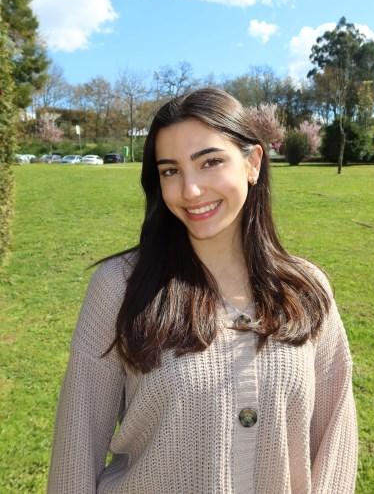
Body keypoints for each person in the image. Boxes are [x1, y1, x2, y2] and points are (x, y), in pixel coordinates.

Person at [47, 88, 358, 494]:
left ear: (253, 163)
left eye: (210, 162)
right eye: (170, 171)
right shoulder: (119, 286)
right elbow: (77, 443)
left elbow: (335, 436)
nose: (190, 190)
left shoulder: (307, 289)